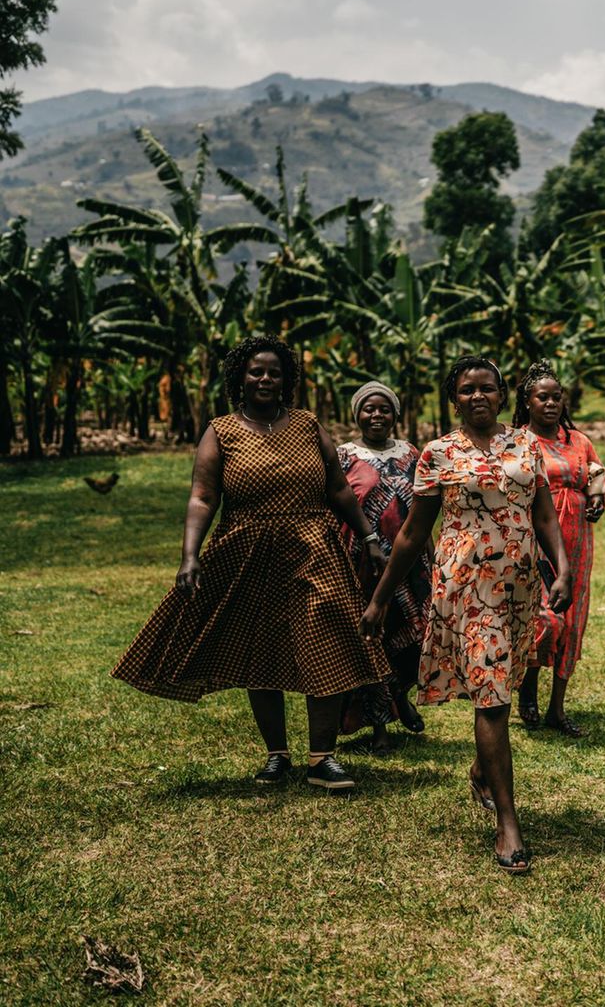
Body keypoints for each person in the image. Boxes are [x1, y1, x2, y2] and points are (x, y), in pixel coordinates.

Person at [113, 335, 390, 791]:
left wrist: (368, 536)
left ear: (286, 380)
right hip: (247, 547)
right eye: (256, 372)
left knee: (327, 639)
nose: (265, 379)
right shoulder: (221, 430)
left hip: (312, 543)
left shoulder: (306, 424)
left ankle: (322, 758)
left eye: (274, 372)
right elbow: (203, 496)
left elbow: (338, 490)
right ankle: (277, 755)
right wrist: (189, 555)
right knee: (262, 651)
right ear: (240, 378)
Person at [361, 356, 571, 875]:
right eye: (466, 390)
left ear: (502, 395)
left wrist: (560, 568)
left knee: (503, 681)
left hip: (520, 588)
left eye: (487, 389)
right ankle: (508, 822)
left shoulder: (525, 445)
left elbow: (542, 511)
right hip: (466, 588)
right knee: (493, 696)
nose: (477, 396)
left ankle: (483, 769)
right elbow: (413, 533)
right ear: (454, 399)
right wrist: (382, 597)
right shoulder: (437, 454)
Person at [513, 360, 605, 738]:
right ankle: (528, 690)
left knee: (572, 622)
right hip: (536, 540)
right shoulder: (518, 441)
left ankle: (557, 708)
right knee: (545, 620)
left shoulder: (579, 441)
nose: (551, 404)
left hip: (578, 538)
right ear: (528, 401)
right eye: (543, 397)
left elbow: (597, 475)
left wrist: (598, 498)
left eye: (557, 397)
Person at [336, 380, 431, 750]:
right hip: (363, 562)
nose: (376, 415)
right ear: (357, 414)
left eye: (384, 409)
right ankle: (379, 728)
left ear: (395, 414)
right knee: (373, 639)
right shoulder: (343, 455)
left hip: (411, 562)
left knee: (417, 635)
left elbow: (425, 507)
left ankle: (401, 693)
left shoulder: (411, 453)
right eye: (368, 409)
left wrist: (432, 555)